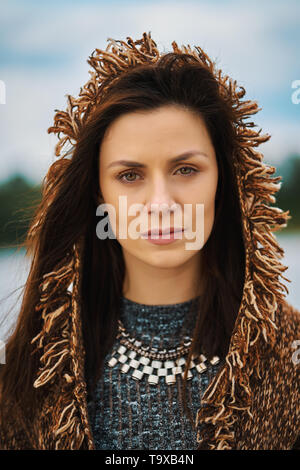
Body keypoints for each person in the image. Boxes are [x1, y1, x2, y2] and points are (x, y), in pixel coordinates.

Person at [0, 32, 299, 450]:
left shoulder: (291, 350)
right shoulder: (33, 363)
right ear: (97, 193)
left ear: (227, 182)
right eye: (129, 176)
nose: (160, 204)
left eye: (186, 170)